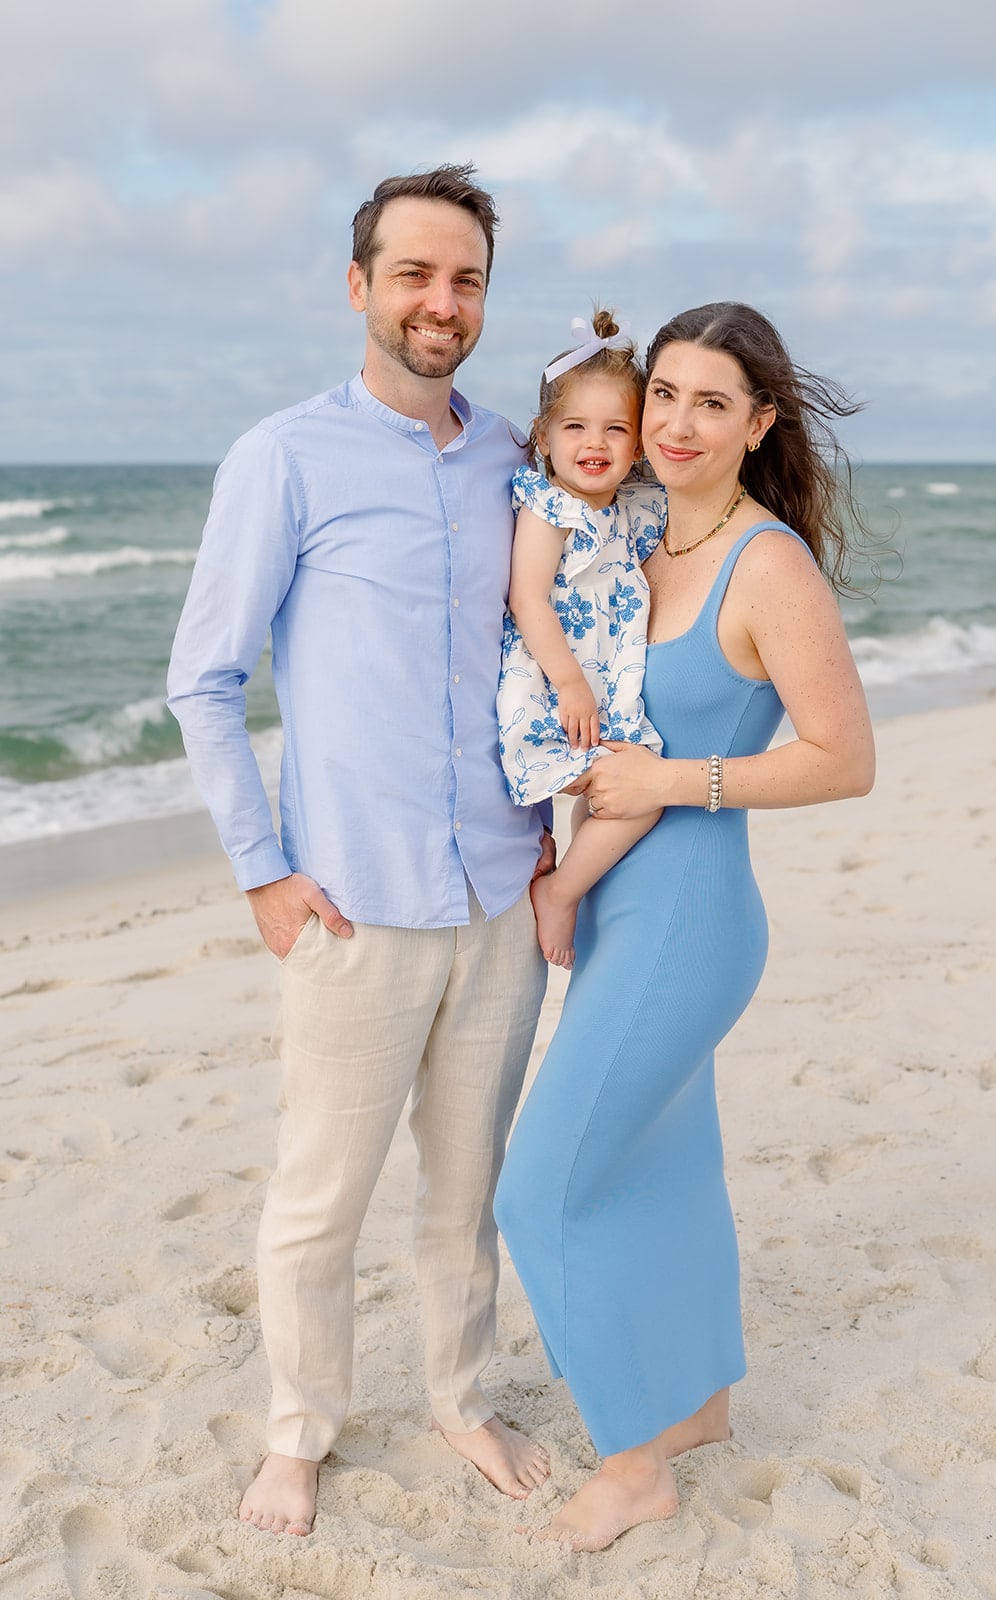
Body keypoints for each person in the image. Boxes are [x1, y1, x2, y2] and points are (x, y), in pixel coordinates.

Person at [167, 164, 553, 1538]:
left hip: (501, 895)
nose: (438, 302)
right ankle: (295, 1434)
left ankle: (458, 1396)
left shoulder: (520, 457)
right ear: (359, 287)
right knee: (317, 1205)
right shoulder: (282, 457)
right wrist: (262, 871)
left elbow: (544, 658)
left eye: (463, 280)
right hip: (352, 910)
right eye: (413, 274)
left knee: (469, 1193)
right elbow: (203, 678)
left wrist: (560, 843)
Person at [495, 302, 876, 1551]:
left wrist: (674, 781)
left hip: (689, 912)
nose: (673, 422)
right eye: (662, 393)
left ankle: (631, 1460)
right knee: (661, 1163)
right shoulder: (642, 529)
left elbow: (841, 758)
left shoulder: (765, 563)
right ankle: (698, 1403)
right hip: (617, 907)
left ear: (758, 422)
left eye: (710, 402)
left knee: (539, 1185)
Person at [497, 310, 667, 967]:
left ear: (638, 444)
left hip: (601, 684)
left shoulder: (629, 502)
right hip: (556, 688)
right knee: (642, 796)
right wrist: (569, 684)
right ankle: (561, 893)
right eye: (574, 427)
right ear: (543, 436)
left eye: (614, 429)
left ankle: (575, 884)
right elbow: (526, 598)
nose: (593, 443)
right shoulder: (551, 508)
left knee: (608, 801)